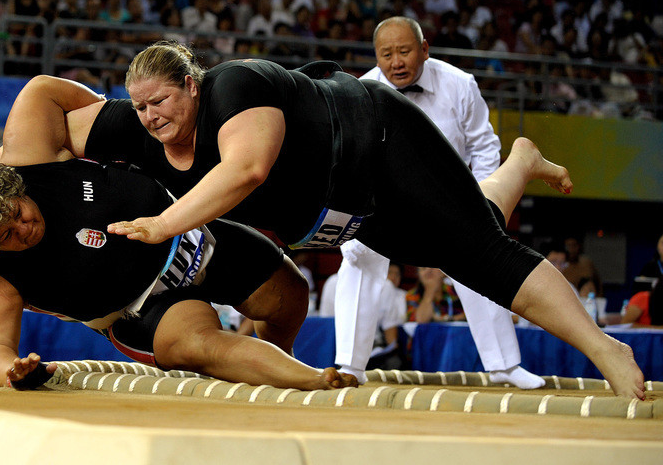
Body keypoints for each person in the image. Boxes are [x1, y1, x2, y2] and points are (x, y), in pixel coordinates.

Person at [90, 41, 645, 399]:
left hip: (377, 143)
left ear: (191, 83)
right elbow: (53, 110)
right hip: (346, 215)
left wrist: (163, 225)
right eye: (139, 108)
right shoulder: (140, 132)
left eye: (160, 100)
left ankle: (606, 350)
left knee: (482, 254)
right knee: (456, 241)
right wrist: (6, 172)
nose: (150, 116)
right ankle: (520, 162)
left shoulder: (232, 86)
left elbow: (248, 170)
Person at [0, 75, 356, 392]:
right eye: (7, 235)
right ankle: (311, 379)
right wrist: (11, 372)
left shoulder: (29, 157)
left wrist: (102, 114)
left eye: (19, 213)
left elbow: (41, 88)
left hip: (193, 238)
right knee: (202, 346)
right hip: (142, 308)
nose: (23, 229)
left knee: (290, 296)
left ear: (13, 188)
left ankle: (282, 363)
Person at [347, 16, 544, 389]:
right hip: (384, 201)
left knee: (482, 259)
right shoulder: (361, 91)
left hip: (449, 197)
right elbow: (353, 159)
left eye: (404, 51)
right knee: (358, 257)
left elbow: (485, 147)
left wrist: (485, 203)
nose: (396, 61)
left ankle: (504, 367)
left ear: (424, 49)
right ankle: (349, 366)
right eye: (386, 54)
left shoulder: (459, 84)